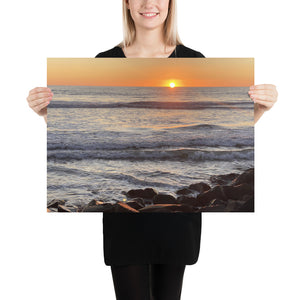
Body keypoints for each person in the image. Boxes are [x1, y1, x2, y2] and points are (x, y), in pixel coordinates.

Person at [26, 0, 278, 299]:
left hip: (178, 212)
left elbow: (216, 138)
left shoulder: (195, 61)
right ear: (128, 4)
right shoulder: (103, 62)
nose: (149, 3)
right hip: (123, 213)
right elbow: (96, 135)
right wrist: (47, 115)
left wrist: (259, 110)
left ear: (170, 5)